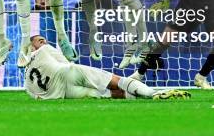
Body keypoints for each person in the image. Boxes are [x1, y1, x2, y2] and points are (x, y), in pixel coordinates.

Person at [24, 35, 190, 101]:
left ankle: (145, 95)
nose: (44, 42)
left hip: (63, 94)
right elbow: (67, 64)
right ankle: (154, 93)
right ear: (31, 47)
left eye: (44, 40)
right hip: (68, 74)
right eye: (39, 40)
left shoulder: (26, 80)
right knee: (116, 81)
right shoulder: (45, 50)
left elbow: (38, 98)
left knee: (108, 94)